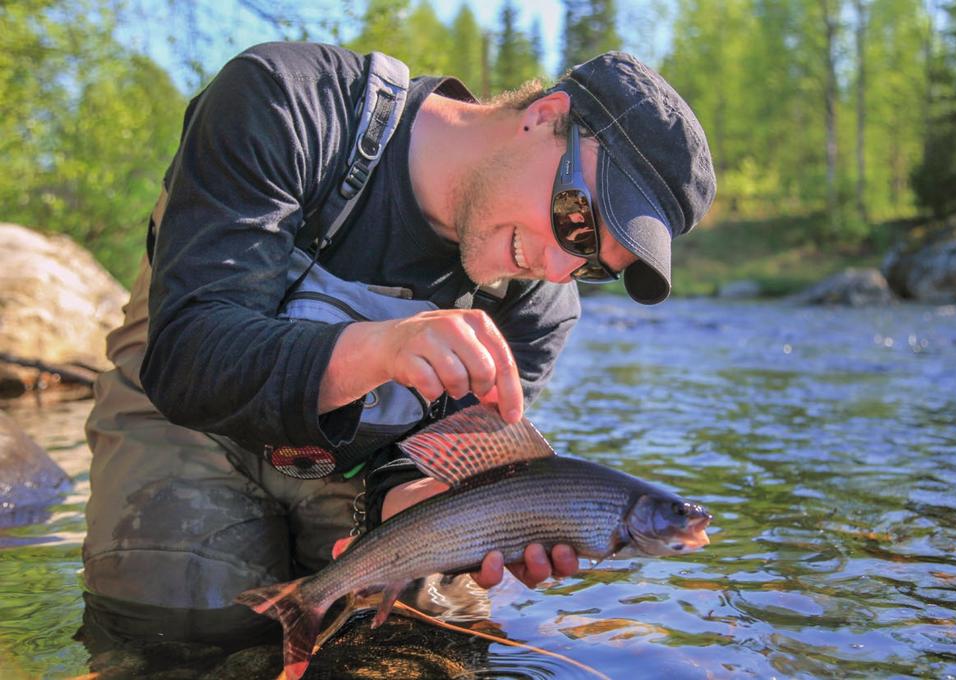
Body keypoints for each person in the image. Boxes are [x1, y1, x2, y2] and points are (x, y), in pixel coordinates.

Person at [81, 42, 716, 647]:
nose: (556, 269)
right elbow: (187, 356)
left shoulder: (538, 306)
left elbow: (432, 457)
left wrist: (406, 495)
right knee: (184, 631)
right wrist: (376, 351)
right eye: (576, 221)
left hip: (348, 471)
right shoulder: (290, 105)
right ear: (545, 117)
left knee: (434, 643)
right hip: (184, 425)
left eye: (591, 265)